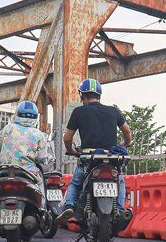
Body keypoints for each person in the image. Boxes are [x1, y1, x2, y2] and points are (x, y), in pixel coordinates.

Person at [57, 78, 133, 222]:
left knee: (76, 183)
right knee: (120, 182)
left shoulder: (79, 111)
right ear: (99, 95)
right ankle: (120, 210)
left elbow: (67, 138)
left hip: (89, 157)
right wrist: (124, 144)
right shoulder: (113, 110)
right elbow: (128, 133)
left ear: (82, 95)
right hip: (111, 158)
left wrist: (71, 150)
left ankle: (69, 206)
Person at [0, 101, 55, 182]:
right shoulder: (39, 135)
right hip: (29, 175)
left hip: (4, 173)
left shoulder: (8, 128)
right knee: (41, 185)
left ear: (17, 113)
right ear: (35, 117)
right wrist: (50, 158)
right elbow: (41, 158)